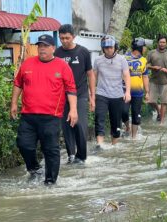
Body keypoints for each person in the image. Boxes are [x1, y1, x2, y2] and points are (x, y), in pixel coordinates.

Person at [10, 34, 78, 185]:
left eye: (46, 46)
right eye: (40, 46)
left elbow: (71, 89)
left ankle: (50, 182)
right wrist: (13, 103)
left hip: (51, 117)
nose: (42, 49)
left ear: (53, 48)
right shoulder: (28, 64)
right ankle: (35, 169)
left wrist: (73, 110)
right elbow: (18, 84)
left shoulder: (62, 66)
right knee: (23, 144)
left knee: (51, 150)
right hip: (28, 116)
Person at [54, 24, 95, 164]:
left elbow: (90, 74)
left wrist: (92, 96)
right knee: (66, 126)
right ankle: (71, 155)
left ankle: (81, 156)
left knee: (80, 125)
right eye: (62, 38)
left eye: (67, 38)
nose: (64, 41)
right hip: (62, 96)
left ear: (73, 37)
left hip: (81, 94)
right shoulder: (57, 54)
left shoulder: (83, 52)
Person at [94, 35, 131, 146]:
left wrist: (128, 92)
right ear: (103, 49)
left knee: (115, 123)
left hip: (117, 95)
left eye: (111, 47)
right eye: (106, 48)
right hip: (101, 93)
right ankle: (100, 145)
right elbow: (93, 77)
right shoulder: (98, 60)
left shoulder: (122, 59)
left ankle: (114, 146)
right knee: (99, 118)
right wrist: (91, 93)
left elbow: (126, 75)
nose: (109, 49)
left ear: (115, 47)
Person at [122, 37, 150, 139]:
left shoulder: (143, 60)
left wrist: (147, 92)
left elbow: (145, 76)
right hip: (124, 91)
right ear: (140, 47)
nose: (145, 49)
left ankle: (133, 138)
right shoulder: (124, 58)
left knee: (136, 115)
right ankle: (127, 126)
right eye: (144, 47)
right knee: (123, 112)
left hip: (138, 93)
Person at [147, 35, 167, 124]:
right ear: (158, 43)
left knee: (164, 102)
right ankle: (158, 109)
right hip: (154, 81)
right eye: (160, 42)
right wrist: (153, 67)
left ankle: (162, 122)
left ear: (166, 43)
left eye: (164, 42)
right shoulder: (151, 53)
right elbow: (146, 65)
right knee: (150, 101)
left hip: (166, 81)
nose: (162, 44)